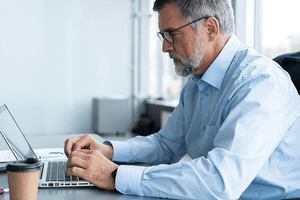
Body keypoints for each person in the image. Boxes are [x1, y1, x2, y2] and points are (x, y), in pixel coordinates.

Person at [64, 0, 300, 199]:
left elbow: (220, 181)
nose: (165, 47)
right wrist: (109, 151)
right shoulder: (196, 81)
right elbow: (166, 145)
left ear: (210, 28)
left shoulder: (259, 82)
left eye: (172, 34)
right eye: (163, 35)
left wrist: (115, 175)